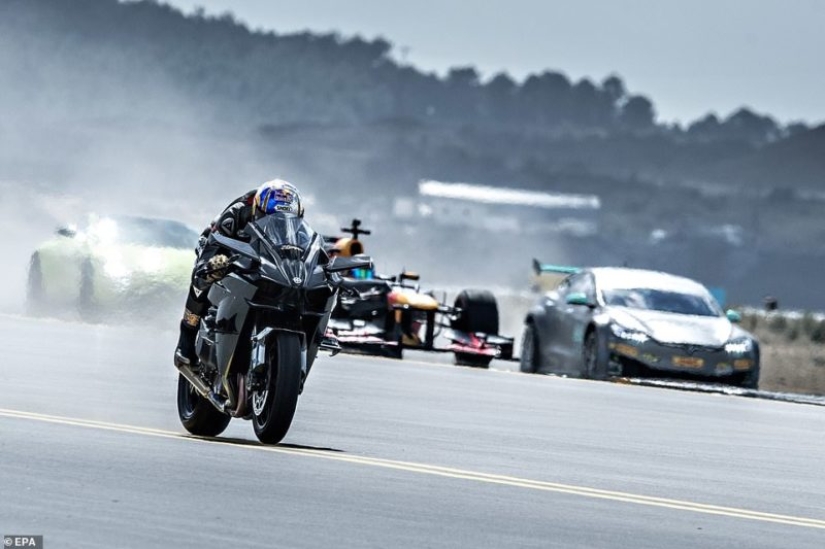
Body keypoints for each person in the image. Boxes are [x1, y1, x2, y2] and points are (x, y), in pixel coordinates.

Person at [173, 179, 304, 369]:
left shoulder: (295, 226)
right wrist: (207, 267)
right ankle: (186, 340)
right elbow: (214, 241)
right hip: (226, 243)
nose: (280, 223)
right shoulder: (240, 210)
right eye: (272, 216)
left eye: (285, 219)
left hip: (264, 260)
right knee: (203, 277)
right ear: (258, 209)